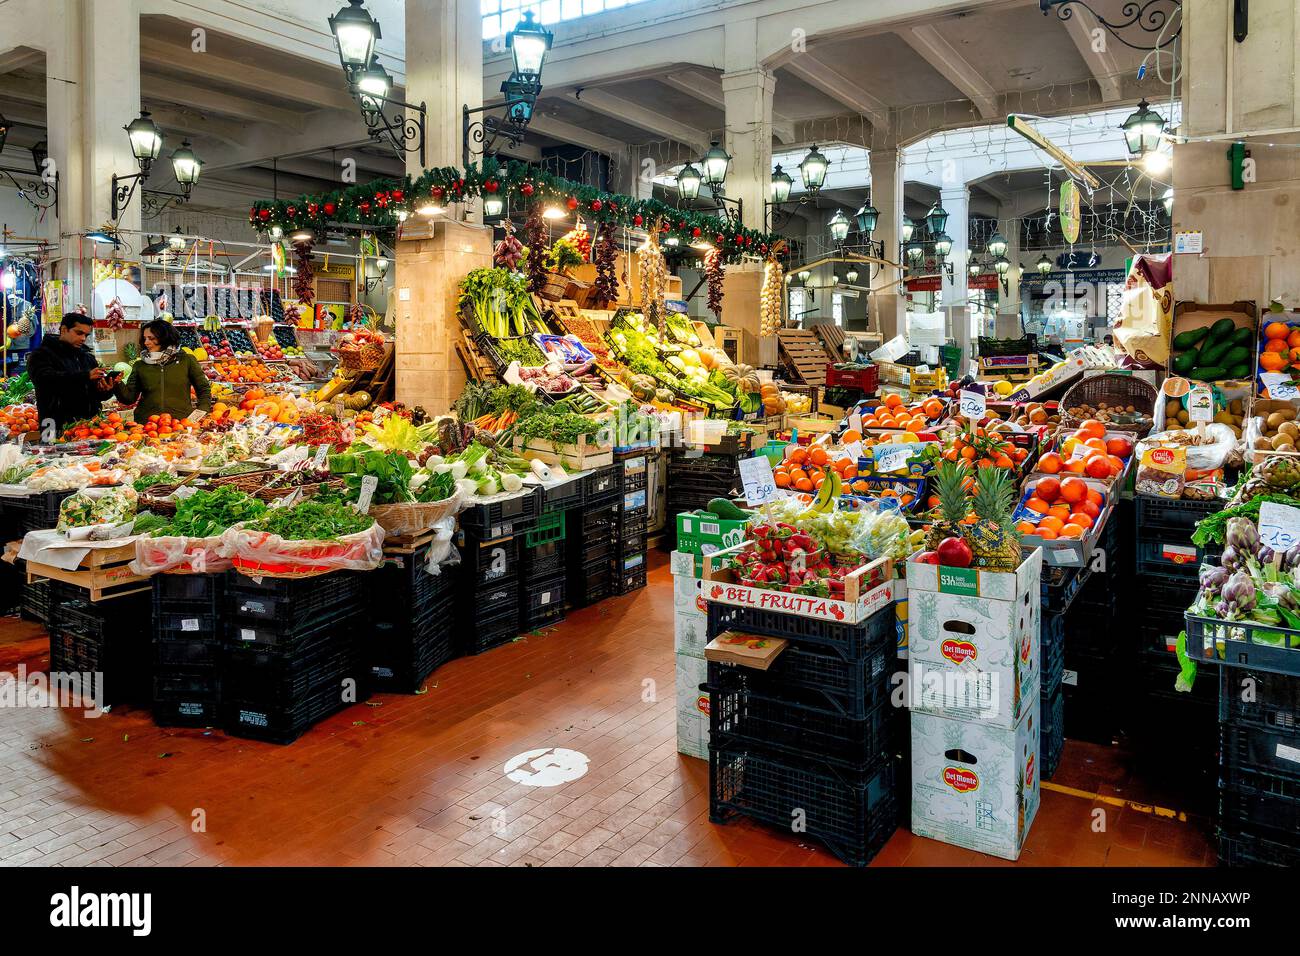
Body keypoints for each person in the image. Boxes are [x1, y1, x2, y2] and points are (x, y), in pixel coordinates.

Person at [27, 312, 117, 435]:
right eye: (79, 333)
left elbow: (94, 393)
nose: (83, 338)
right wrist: (85, 376)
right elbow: (44, 380)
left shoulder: (87, 358)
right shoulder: (41, 355)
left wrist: (105, 390)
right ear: (64, 330)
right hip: (53, 425)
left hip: (88, 426)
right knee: (48, 453)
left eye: (86, 335)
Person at [114, 320, 211, 420]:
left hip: (180, 422)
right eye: (145, 338)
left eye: (151, 338)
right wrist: (117, 384)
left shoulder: (186, 361)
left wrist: (201, 411)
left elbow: (204, 389)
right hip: (147, 424)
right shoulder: (140, 365)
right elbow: (129, 398)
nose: (146, 342)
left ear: (165, 338)